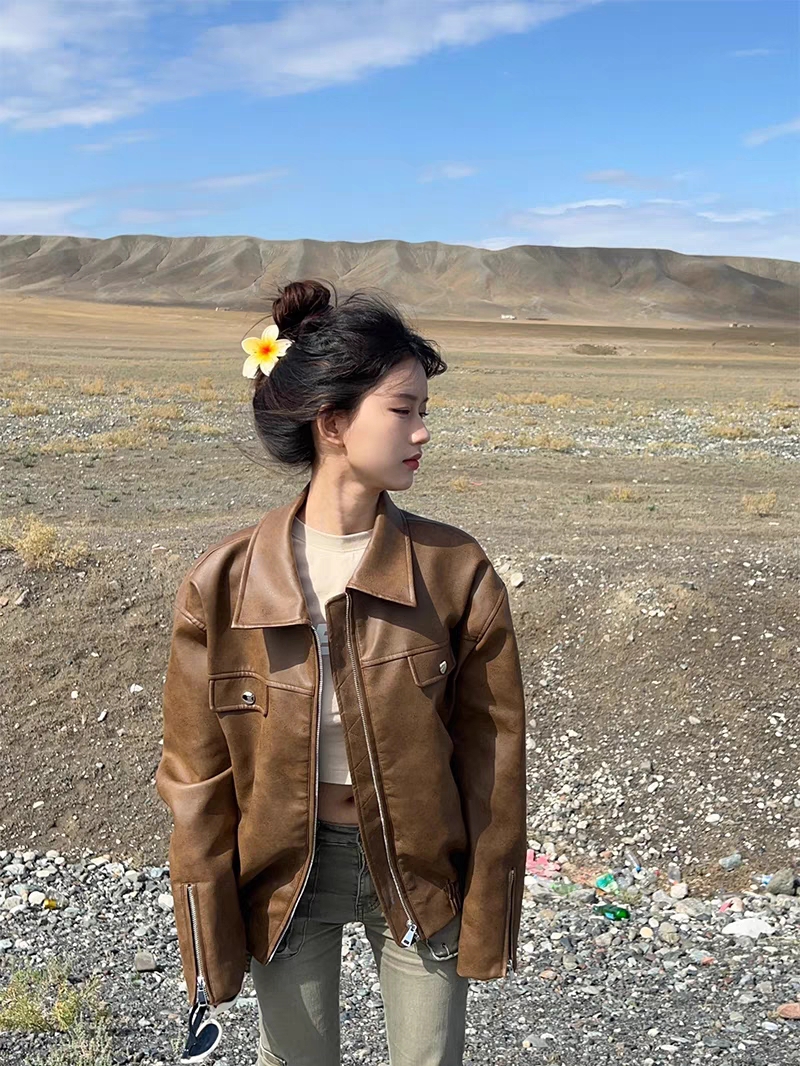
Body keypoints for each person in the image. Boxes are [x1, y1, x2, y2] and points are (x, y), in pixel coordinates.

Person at [155, 279, 528, 1066]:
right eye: (403, 409)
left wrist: (488, 903)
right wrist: (206, 930)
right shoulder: (223, 583)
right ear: (332, 422)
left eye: (425, 410)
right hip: (286, 872)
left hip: (420, 867)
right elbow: (194, 779)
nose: (423, 431)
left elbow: (493, 758)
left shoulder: (456, 571)